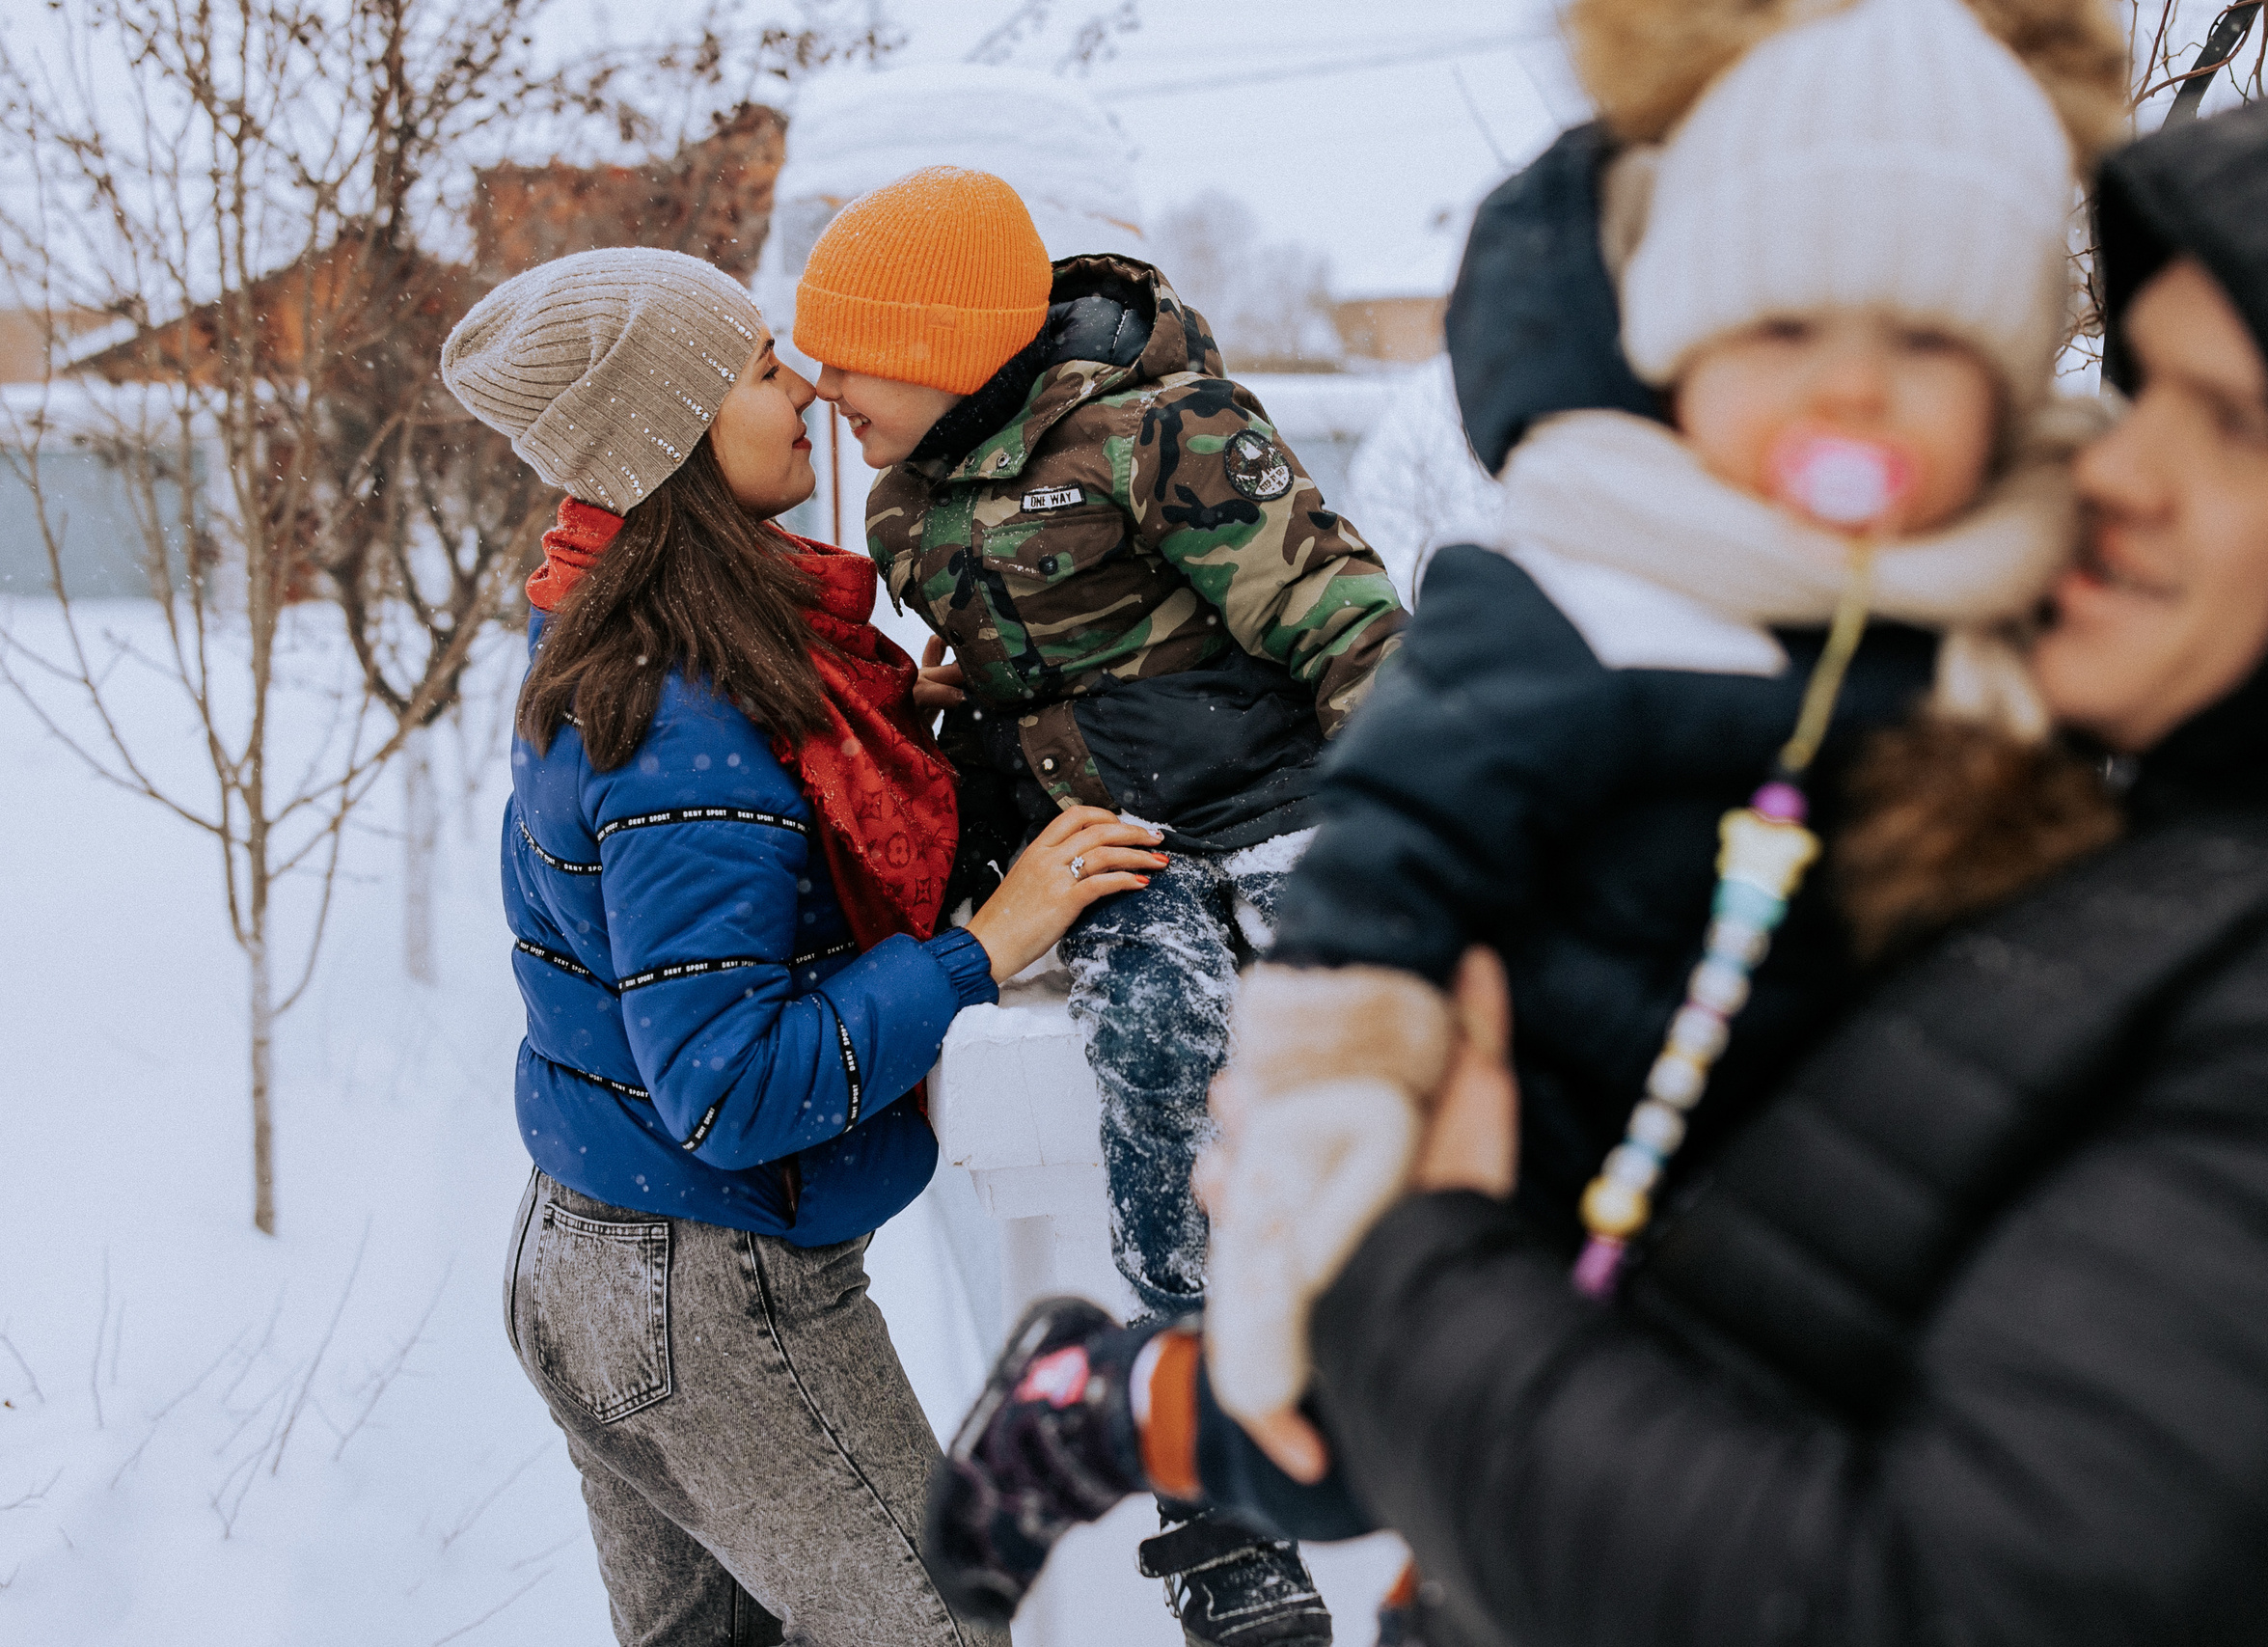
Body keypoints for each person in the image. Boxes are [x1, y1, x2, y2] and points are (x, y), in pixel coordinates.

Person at [919, 0, 2126, 1621]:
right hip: (1544, 1133)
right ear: (1688, 347)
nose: (1852, 396)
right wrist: (1336, 1115)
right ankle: (1111, 1400)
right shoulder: (1576, 601)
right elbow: (1394, 866)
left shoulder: (2023, 632)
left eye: (1927, 345)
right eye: (1781, 336)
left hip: (1792, 1200)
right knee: (1346, 1405)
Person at [1283, 55, 2268, 1647]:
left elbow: (1937, 1608)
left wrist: (1399, 1266)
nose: (2110, 468)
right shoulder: (2182, 808)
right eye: (2138, 386)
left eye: (2234, 424)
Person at [446, 247, 1161, 1647]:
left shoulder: (651, 641)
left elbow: (759, 857)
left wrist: (903, 721)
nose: (811, 394)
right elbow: (726, 1083)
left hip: (602, 1247)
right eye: (765, 371)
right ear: (674, 436)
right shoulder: (676, 721)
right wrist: (982, 947)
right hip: (704, 1292)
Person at [791, 166, 1407, 1644]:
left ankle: (1416, 1404)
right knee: (1149, 1039)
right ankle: (1213, 1495)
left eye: (847, 356)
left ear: (940, 345)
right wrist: (959, 700)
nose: (821, 393)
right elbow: (1016, 664)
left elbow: (1339, 614)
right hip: (1107, 843)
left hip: (1277, 809)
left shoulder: (1162, 433)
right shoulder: (906, 507)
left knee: (1370, 1058)